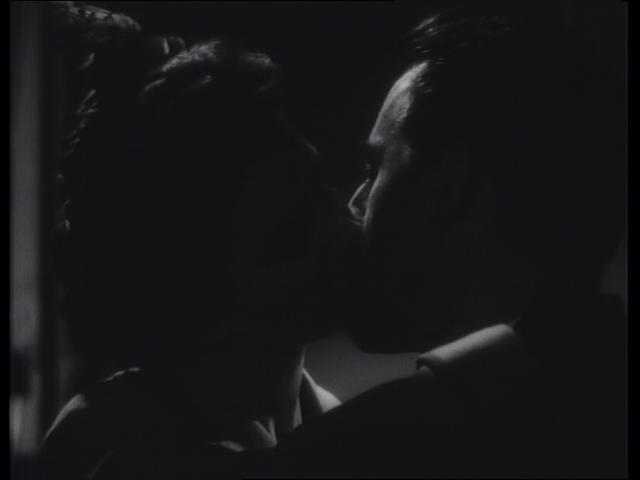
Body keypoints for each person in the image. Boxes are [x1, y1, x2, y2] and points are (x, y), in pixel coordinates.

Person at [273, 3, 627, 478]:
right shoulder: (600, 399)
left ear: (451, 190)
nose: (354, 203)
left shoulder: (377, 453)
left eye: (374, 169)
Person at [38, 5, 354, 479]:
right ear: (200, 296)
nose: (343, 227)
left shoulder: (327, 417)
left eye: (324, 191)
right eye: (293, 234)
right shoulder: (123, 448)